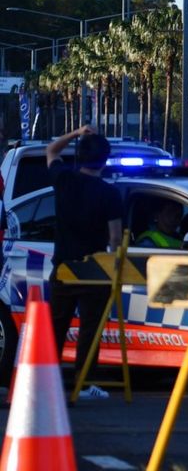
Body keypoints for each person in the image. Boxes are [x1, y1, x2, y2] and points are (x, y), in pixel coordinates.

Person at [47, 125, 123, 401]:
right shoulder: (109, 194)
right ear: (105, 160)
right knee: (90, 329)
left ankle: (48, 381)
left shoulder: (64, 180)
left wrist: (76, 133)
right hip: (95, 270)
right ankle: (84, 383)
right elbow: (115, 237)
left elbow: (51, 150)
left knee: (56, 327)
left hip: (64, 268)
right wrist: (115, 267)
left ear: (79, 157)